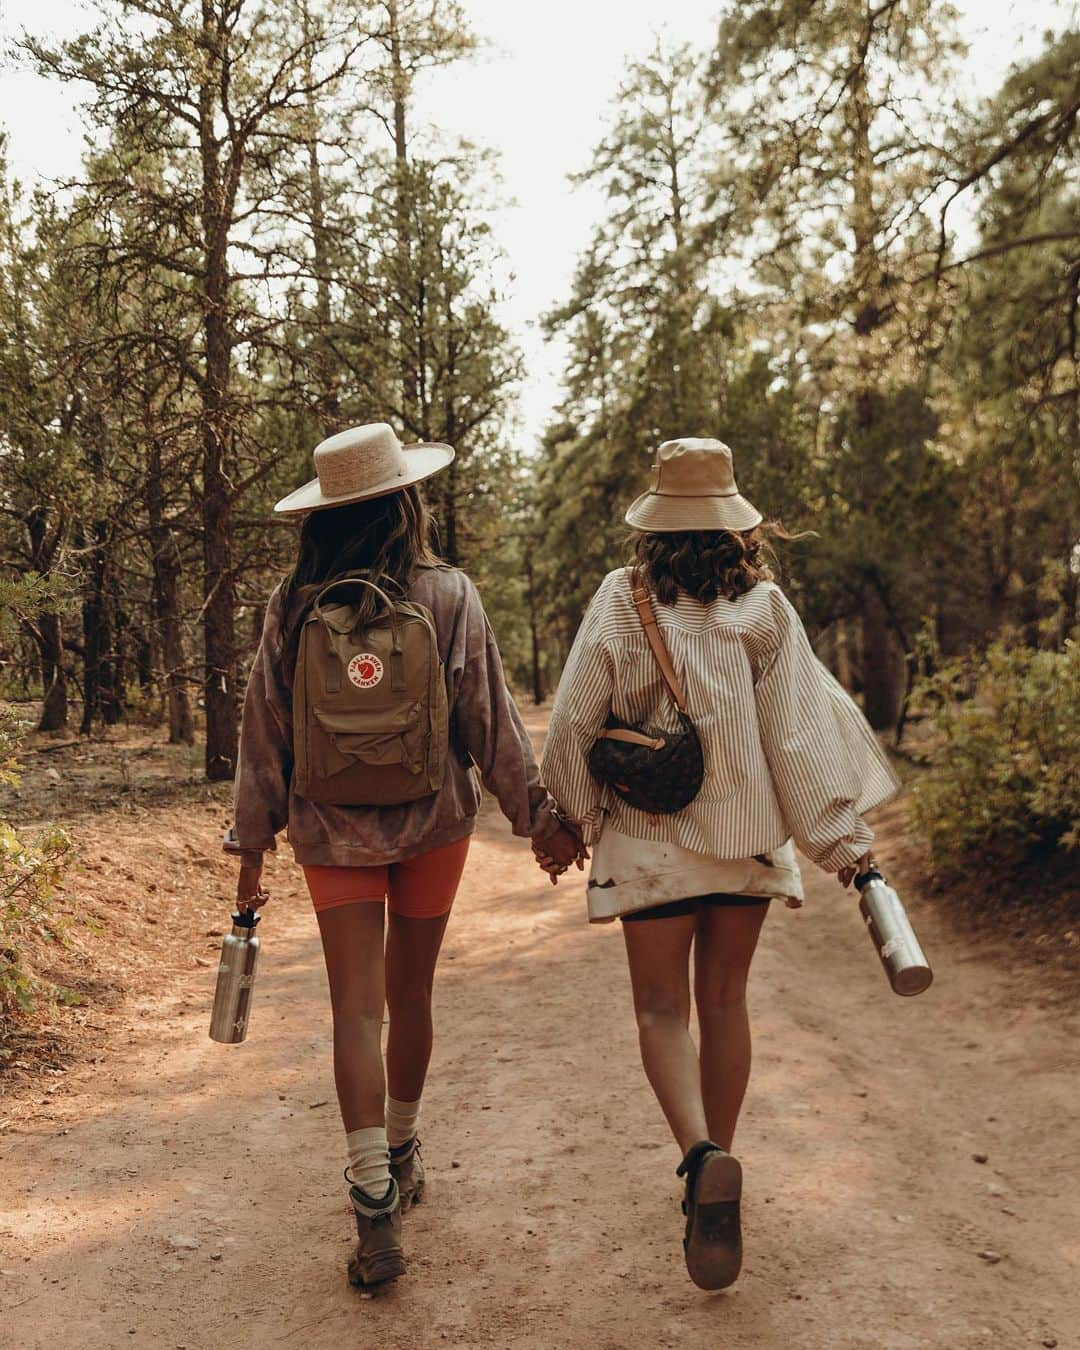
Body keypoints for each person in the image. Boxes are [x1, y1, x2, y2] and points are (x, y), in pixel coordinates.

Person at [224, 422, 583, 1291]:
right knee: (409, 994)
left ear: (322, 514)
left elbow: (263, 732)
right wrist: (537, 817)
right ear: (406, 499)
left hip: (329, 829)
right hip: (431, 828)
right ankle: (402, 1145)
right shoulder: (449, 594)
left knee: (356, 1010)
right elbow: (489, 718)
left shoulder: (294, 601)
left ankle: (372, 1199)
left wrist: (252, 845)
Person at [537, 437, 900, 1291]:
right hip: (749, 837)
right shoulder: (765, 609)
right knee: (726, 999)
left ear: (654, 523)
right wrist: (844, 849)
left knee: (662, 1009)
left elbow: (576, 722)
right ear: (738, 525)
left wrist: (567, 818)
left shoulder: (621, 602)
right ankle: (720, 1163)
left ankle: (698, 1158)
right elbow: (801, 738)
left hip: (649, 840)